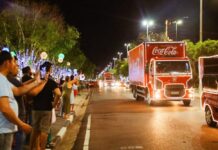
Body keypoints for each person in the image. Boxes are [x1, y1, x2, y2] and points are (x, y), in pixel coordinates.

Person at [0, 51, 42, 150]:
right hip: (2, 130)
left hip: (6, 129)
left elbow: (19, 91)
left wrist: (37, 82)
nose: (16, 65)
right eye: (13, 62)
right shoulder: (1, 80)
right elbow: (5, 109)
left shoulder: (4, 79)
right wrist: (21, 124)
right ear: (7, 62)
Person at [30, 61, 61, 150]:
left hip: (35, 108)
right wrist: (54, 105)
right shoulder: (51, 82)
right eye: (51, 69)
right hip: (47, 109)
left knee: (35, 129)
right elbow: (58, 94)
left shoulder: (36, 80)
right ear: (49, 70)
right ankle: (42, 148)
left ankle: (33, 148)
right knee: (44, 130)